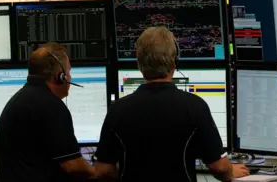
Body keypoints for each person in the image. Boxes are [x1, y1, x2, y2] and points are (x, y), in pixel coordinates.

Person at [94, 27, 249, 182]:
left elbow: (103, 171)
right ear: (175, 61)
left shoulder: (118, 110)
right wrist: (231, 171)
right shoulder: (195, 107)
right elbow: (219, 168)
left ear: (138, 62)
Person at [0, 42, 95, 182]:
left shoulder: (22, 98)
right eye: (68, 72)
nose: (70, 78)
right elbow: (73, 166)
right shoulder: (50, 106)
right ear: (60, 77)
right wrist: (99, 173)